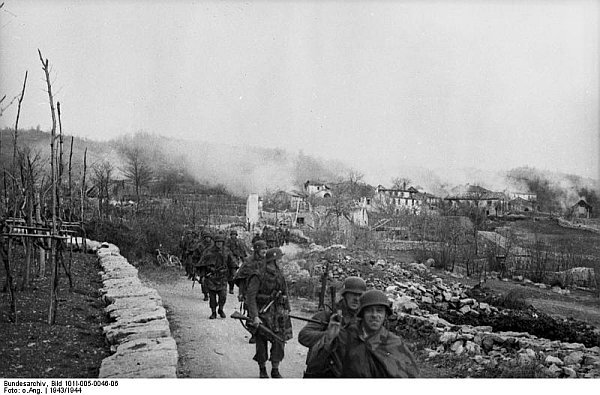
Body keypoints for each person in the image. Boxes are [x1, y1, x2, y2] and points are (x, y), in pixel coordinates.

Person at [306, 289, 420, 378]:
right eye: (370, 310)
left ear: (385, 315)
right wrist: (328, 339)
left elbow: (410, 376)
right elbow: (314, 366)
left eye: (379, 310)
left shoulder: (394, 343)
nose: (375, 315)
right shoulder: (345, 336)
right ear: (362, 314)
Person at [298, 276, 366, 378]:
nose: (356, 299)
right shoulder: (328, 315)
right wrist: (329, 336)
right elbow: (304, 336)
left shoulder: (364, 320)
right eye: (353, 294)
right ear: (345, 295)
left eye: (360, 295)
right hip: (323, 372)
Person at [245, 247, 293, 378]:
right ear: (274, 260)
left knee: (279, 341)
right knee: (261, 342)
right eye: (280, 259)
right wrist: (254, 316)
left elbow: (285, 292)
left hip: (278, 314)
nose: (281, 261)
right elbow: (251, 297)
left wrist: (287, 308)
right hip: (262, 314)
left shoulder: (280, 275)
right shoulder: (258, 275)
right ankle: (262, 369)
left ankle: (275, 369)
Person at [196, 234, 238, 319]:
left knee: (223, 296)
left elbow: (232, 263)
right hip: (211, 277)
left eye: (221, 242)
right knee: (212, 297)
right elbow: (203, 264)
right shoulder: (208, 251)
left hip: (223, 277)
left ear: (223, 243)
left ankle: (221, 309)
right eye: (217, 242)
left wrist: (233, 274)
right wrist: (203, 276)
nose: (219, 244)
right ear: (215, 242)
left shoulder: (227, 251)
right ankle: (213, 312)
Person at [226, 229, 249, 294]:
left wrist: (243, 258)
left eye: (234, 235)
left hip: (234, 261)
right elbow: (225, 250)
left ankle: (231, 288)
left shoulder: (239, 242)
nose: (233, 236)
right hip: (227, 261)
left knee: (233, 274)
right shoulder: (228, 242)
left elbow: (242, 250)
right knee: (227, 275)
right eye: (232, 235)